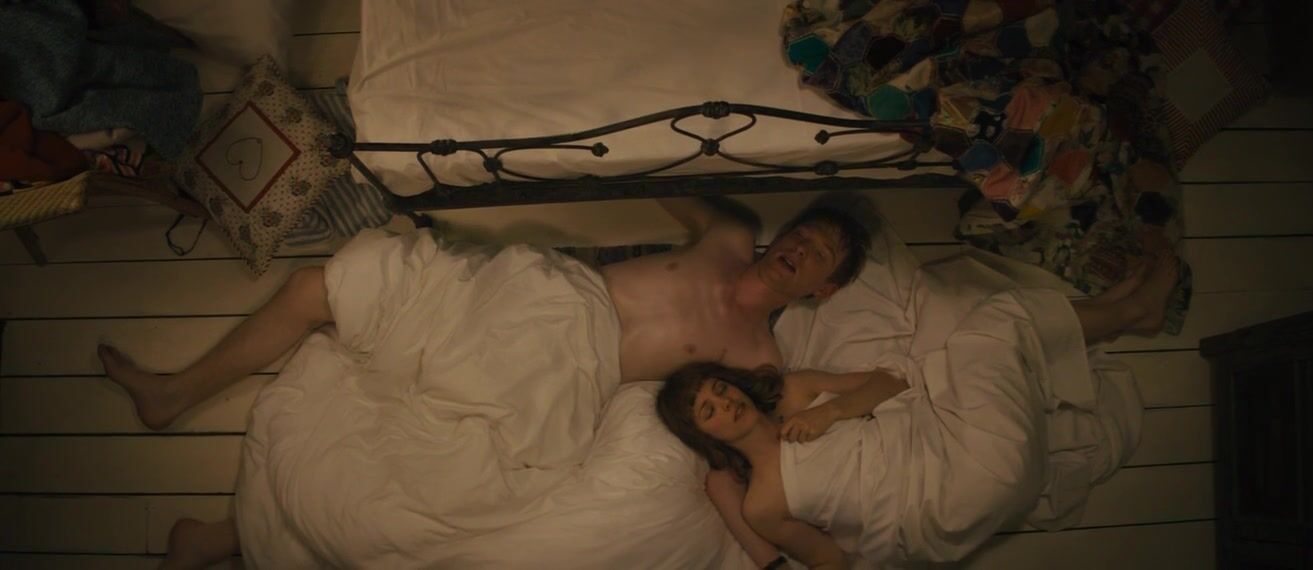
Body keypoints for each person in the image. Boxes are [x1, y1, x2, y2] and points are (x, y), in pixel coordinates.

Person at [96, 195, 873, 569]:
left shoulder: (756, 358)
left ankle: (219, 538)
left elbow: (754, 440)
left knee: (428, 482)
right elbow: (652, 171)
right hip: (543, 296)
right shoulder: (731, 231)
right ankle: (173, 395)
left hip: (566, 369)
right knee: (318, 288)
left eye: (819, 256)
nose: (799, 249)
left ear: (823, 289)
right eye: (802, 233)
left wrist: (772, 534)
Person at [656, 252, 1180, 568]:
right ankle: (1132, 312)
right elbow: (828, 559)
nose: (725, 402)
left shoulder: (795, 393)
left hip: (955, 443)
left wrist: (830, 414)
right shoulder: (762, 505)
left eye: (718, 389)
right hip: (956, 498)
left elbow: (892, 381)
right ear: (706, 436)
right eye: (708, 410)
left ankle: (1118, 311)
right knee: (994, 325)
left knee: (994, 329)